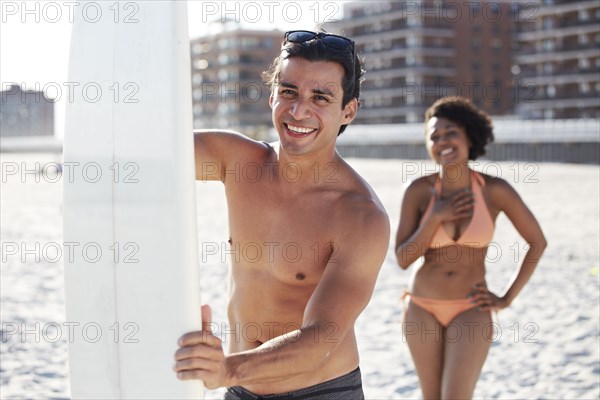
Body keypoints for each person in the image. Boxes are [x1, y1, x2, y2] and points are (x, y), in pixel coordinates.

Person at [173, 30, 390, 400]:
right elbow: (154, 152)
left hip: (318, 391)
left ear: (348, 110)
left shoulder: (359, 215)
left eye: (320, 97)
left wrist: (228, 368)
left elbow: (322, 336)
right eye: (289, 92)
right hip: (238, 386)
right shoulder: (238, 162)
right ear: (273, 95)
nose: (299, 110)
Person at [395, 96, 547, 399]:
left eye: (450, 132)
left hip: (471, 309)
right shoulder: (419, 191)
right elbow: (403, 258)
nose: (443, 141)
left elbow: (537, 242)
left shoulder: (494, 190)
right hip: (421, 307)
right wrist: (435, 216)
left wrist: (506, 298)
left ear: (469, 136)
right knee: (431, 395)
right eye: (434, 136)